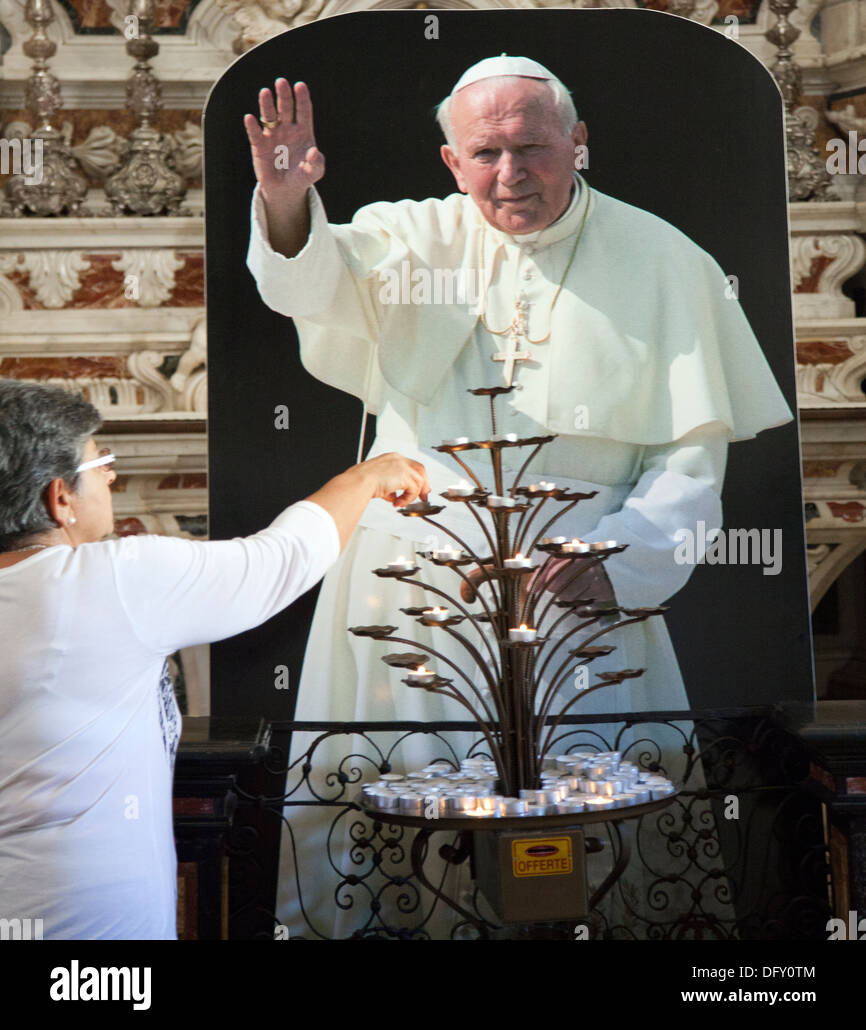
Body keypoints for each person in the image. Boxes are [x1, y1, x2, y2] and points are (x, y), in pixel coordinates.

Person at [243, 54, 793, 937]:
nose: (510, 174)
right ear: (451, 163)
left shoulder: (665, 259)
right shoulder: (411, 237)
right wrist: (284, 203)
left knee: (598, 841)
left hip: (578, 591)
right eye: (485, 154)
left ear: (578, 144)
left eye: (532, 147)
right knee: (396, 831)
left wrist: (614, 559)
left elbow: (690, 470)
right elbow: (307, 279)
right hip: (412, 592)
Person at [0, 378, 427, 941]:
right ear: (60, 499)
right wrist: (365, 476)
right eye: (100, 462)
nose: (111, 476)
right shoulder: (109, 581)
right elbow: (281, 560)